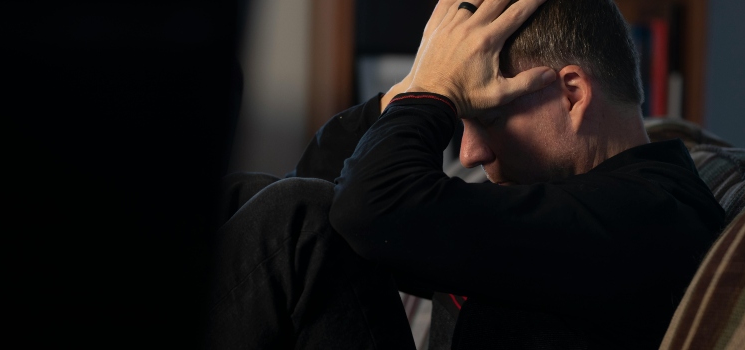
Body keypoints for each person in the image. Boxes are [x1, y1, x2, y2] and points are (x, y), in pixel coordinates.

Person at [207, 0, 725, 349]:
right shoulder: (569, 201)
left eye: (486, 118)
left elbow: (362, 209)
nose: (471, 153)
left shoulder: (647, 216)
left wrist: (430, 96)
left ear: (571, 94)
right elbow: (327, 189)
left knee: (296, 219)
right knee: (244, 197)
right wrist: (418, 82)